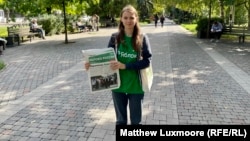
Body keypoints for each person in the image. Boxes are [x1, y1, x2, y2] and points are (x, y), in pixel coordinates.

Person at [84, 5, 152, 125]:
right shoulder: (115, 37)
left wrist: (125, 66)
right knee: (121, 121)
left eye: (131, 17)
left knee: (136, 122)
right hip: (117, 86)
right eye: (125, 18)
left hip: (136, 86)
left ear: (136, 18)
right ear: (121, 19)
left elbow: (147, 61)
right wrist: (91, 65)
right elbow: (106, 59)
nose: (128, 21)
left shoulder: (142, 38)